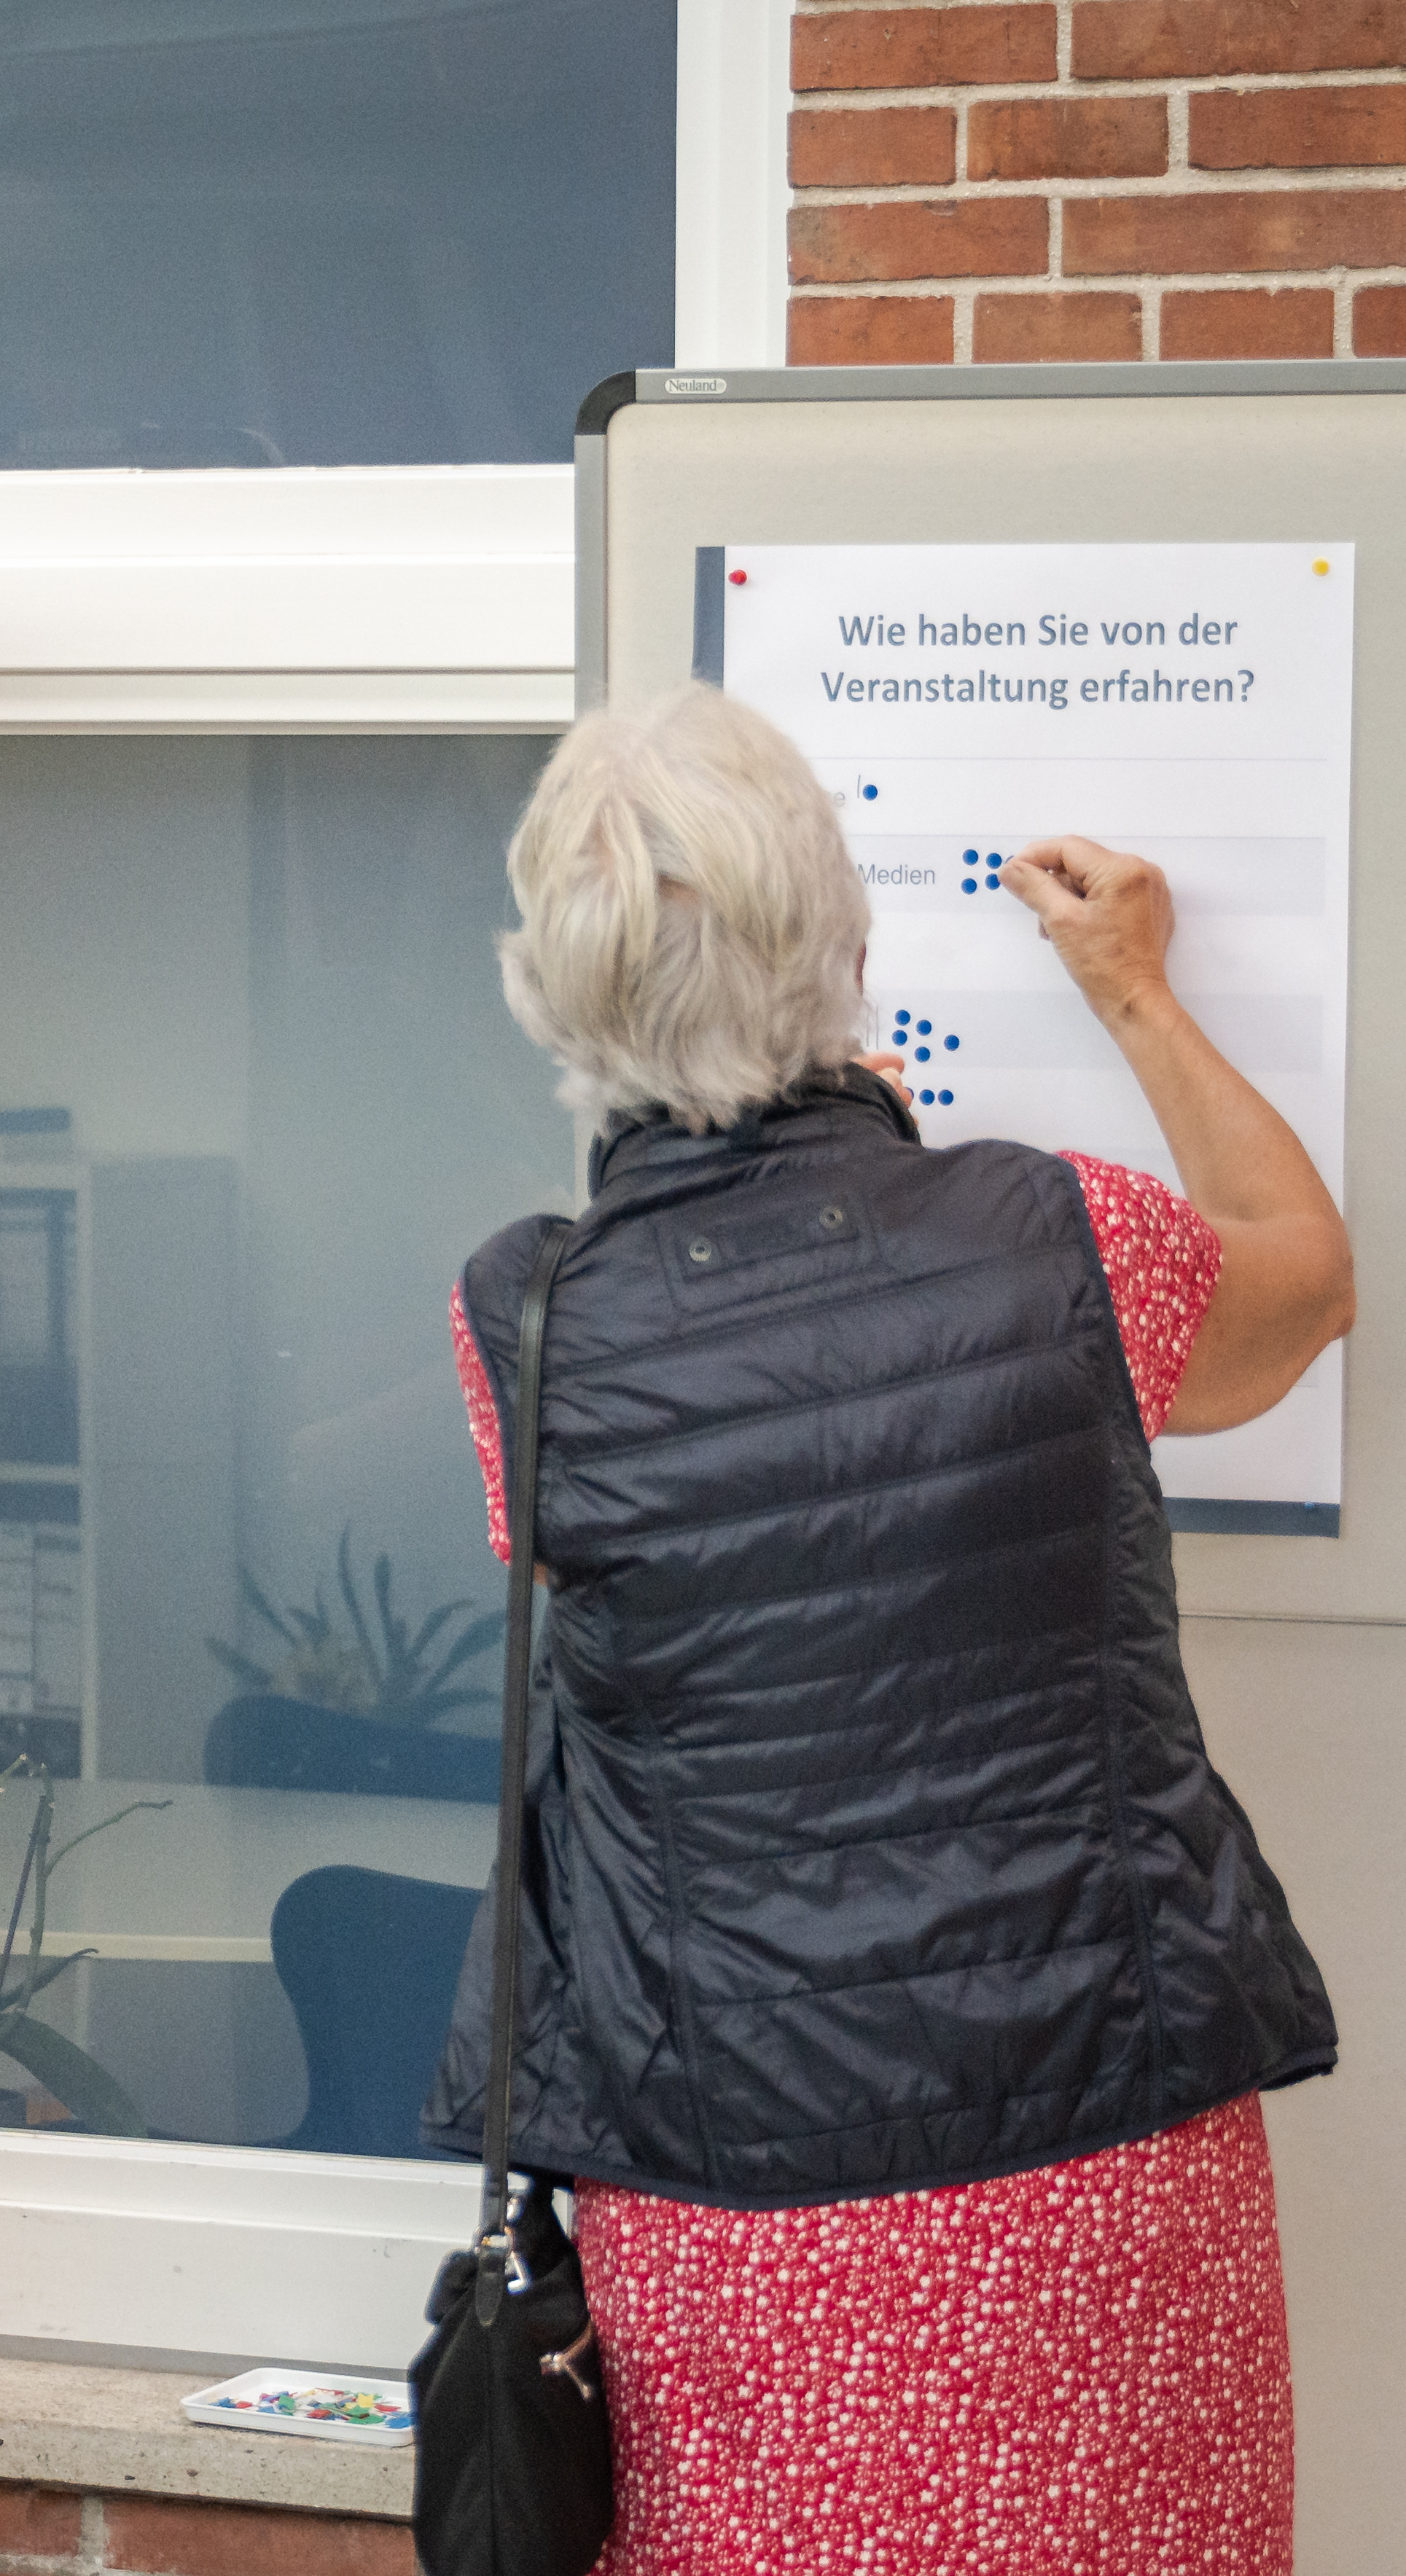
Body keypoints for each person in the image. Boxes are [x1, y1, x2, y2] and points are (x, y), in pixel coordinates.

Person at [434, 683, 1342, 2576]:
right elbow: (1302, 1287)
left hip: (731, 2207)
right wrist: (1129, 988)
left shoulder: (522, 1324)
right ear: (839, 941)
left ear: (553, 985)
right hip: (1098, 2165)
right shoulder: (1064, 1239)